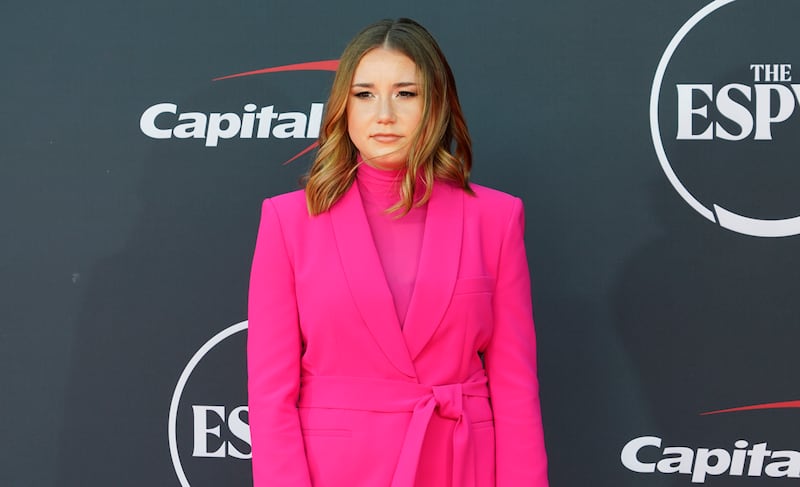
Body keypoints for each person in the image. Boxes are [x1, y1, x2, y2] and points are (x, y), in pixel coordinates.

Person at [248, 18, 548, 487]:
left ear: (436, 106)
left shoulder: (497, 218)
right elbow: (270, 394)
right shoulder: (289, 222)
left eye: (406, 93)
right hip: (336, 470)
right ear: (342, 107)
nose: (383, 113)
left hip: (456, 464)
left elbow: (515, 388)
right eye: (364, 94)